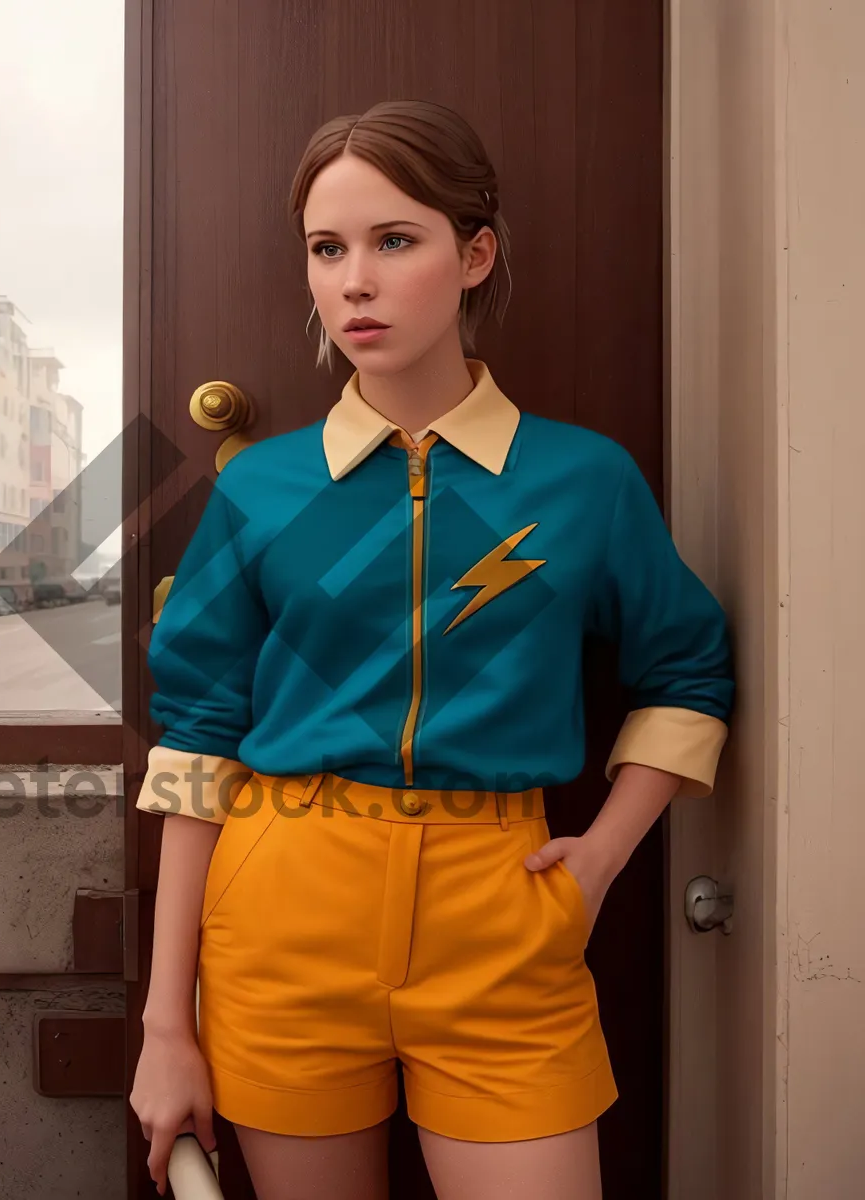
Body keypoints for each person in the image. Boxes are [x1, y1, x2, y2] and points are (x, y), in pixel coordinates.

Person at [130, 99, 734, 1200]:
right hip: (282, 918)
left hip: (503, 920)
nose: (354, 280)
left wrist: (599, 859)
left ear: (475, 255)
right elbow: (198, 741)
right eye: (327, 248)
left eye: (394, 240)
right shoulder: (259, 489)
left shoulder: (581, 481)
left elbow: (688, 671)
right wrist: (167, 1024)